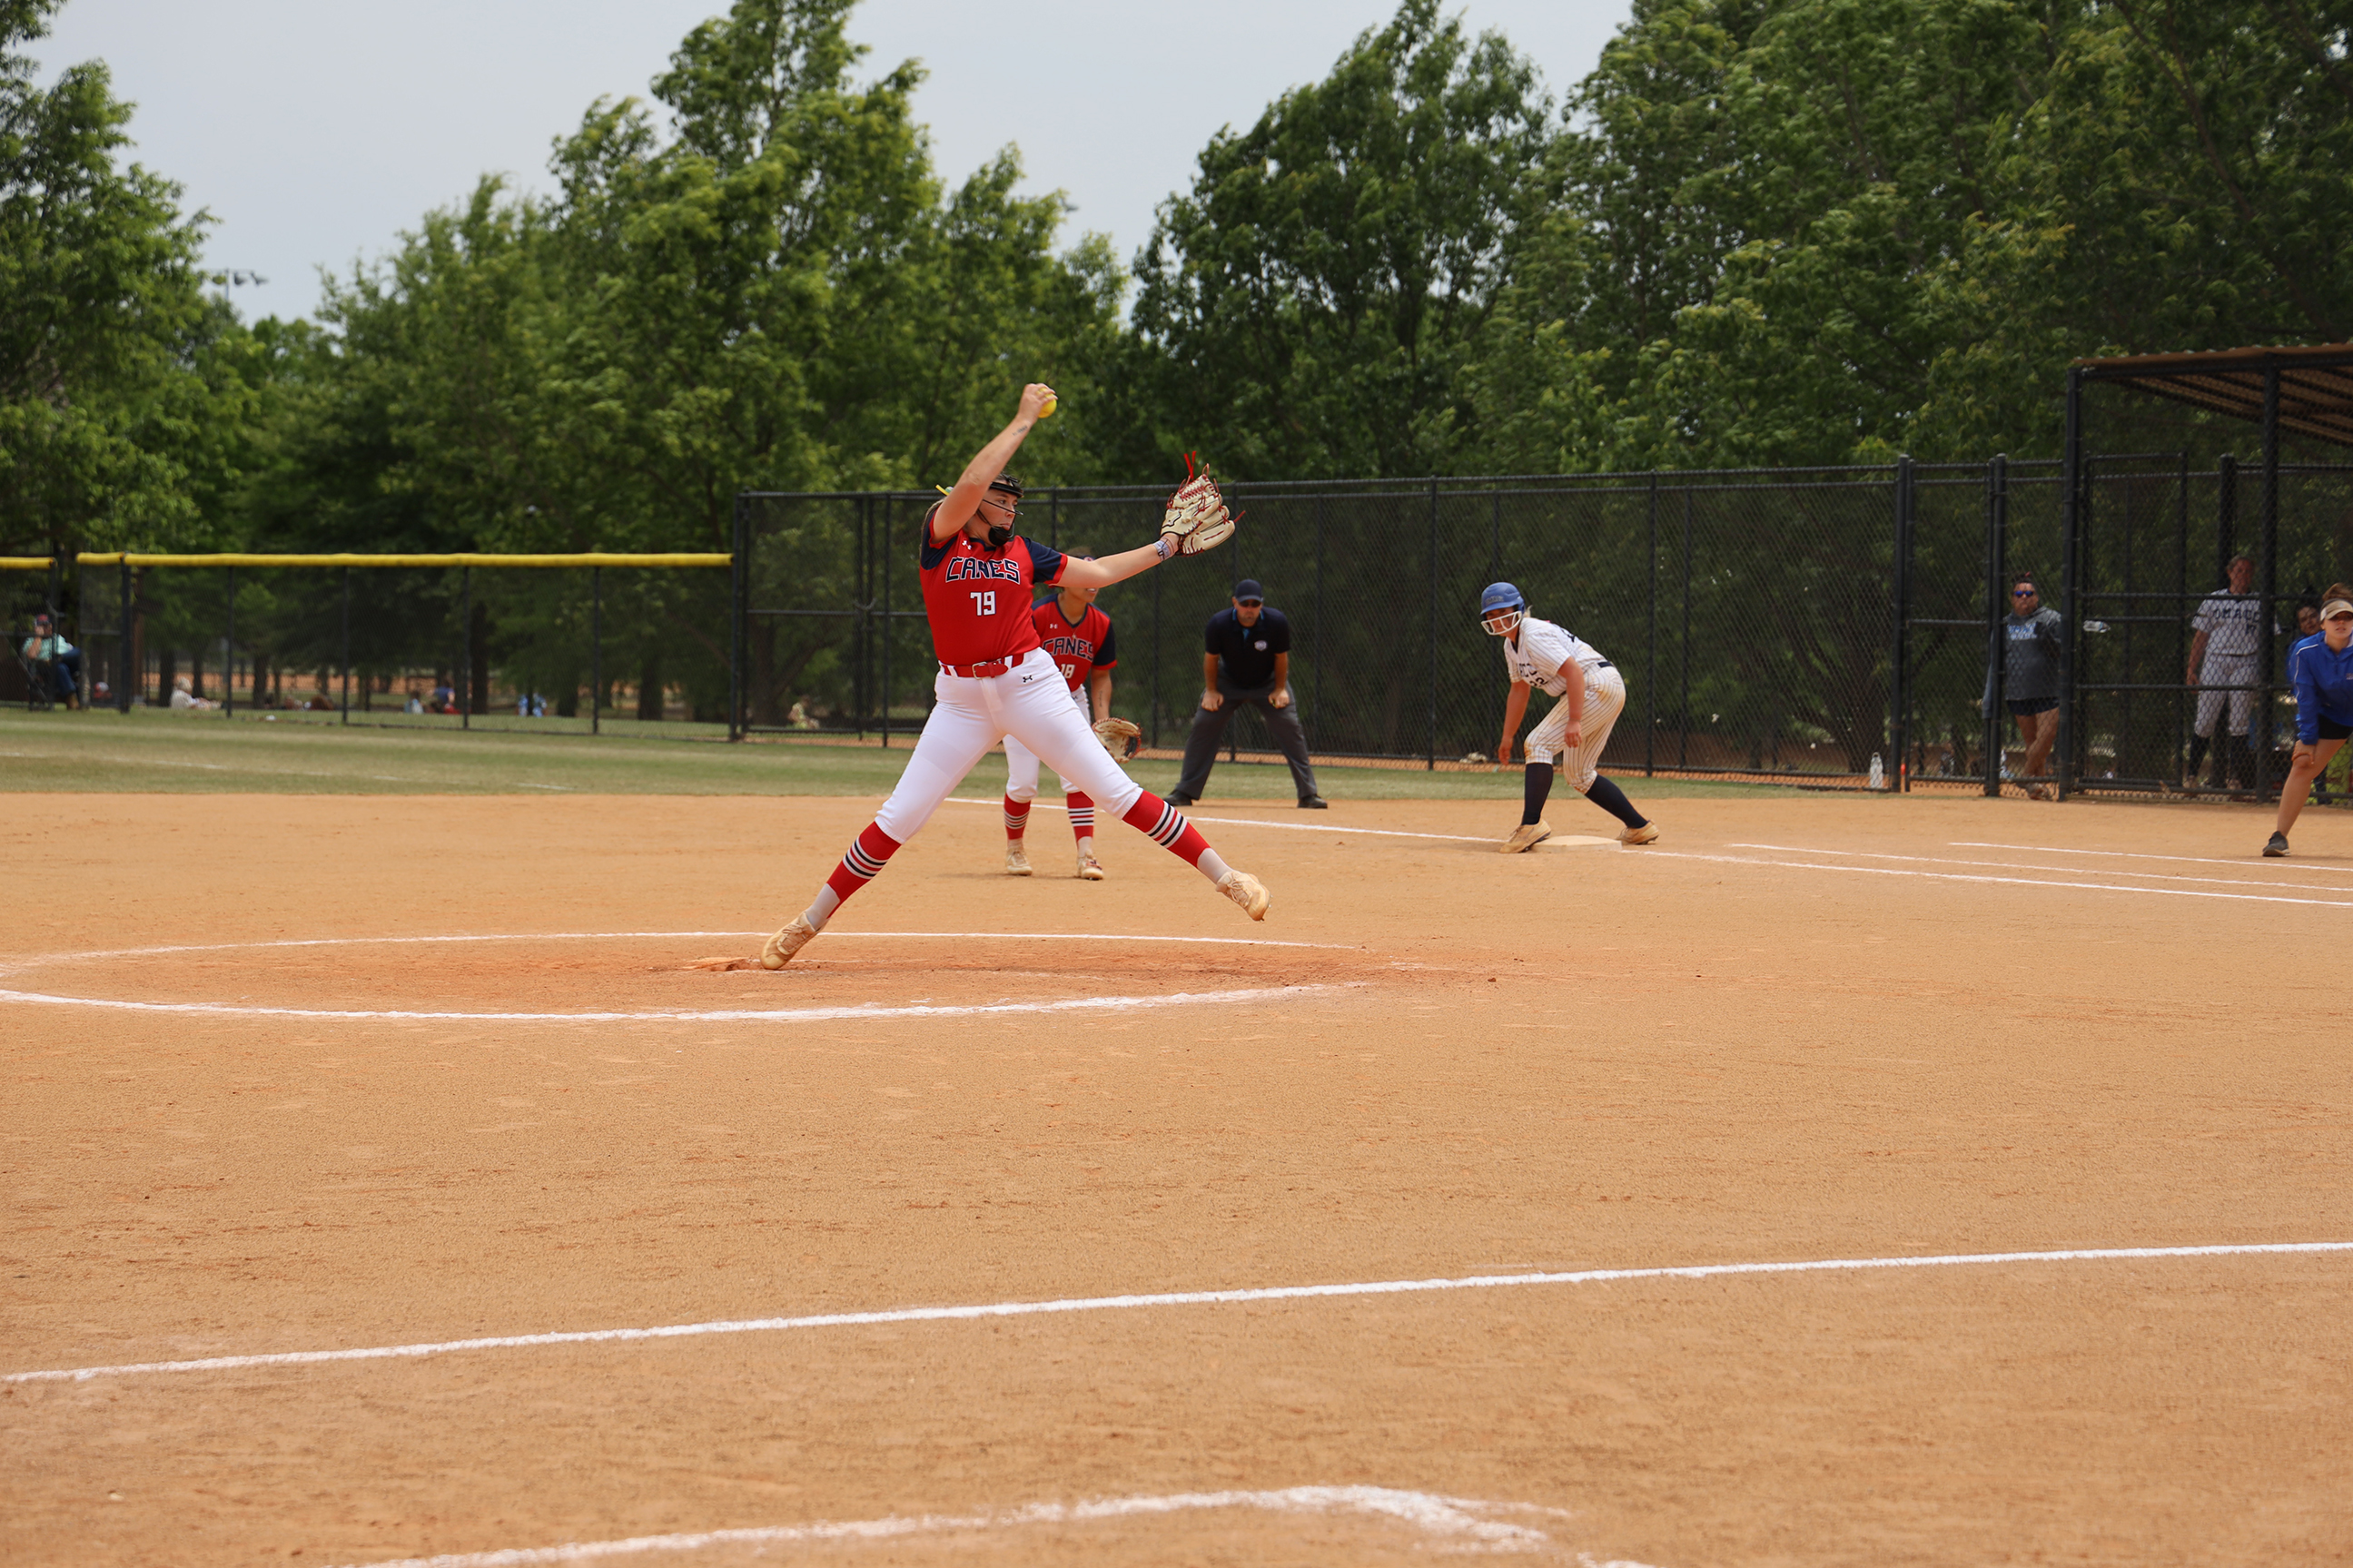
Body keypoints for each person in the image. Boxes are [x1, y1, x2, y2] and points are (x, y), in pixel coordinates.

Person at [758, 384, 1269, 969]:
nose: (1008, 508)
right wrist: (1025, 418)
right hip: (960, 701)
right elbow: (974, 481)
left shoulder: (1025, 552)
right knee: (900, 816)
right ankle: (809, 921)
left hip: (1032, 686)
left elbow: (1098, 570)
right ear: (971, 506)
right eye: (1001, 501)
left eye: (1011, 503)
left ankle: (1228, 878)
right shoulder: (940, 540)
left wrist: (1166, 546)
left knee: (1114, 792)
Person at [1480, 581, 1658, 852]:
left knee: (1538, 743)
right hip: (1600, 686)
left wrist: (1574, 719)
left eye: (1503, 610)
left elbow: (1574, 672)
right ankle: (1639, 826)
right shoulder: (1511, 646)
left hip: (1595, 684)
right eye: (1491, 615)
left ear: (1518, 608)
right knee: (1579, 775)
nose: (1498, 619)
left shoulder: (1533, 634)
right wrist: (1507, 736)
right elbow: (1519, 690)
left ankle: (1531, 824)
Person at [1002, 552, 1120, 880]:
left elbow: (1100, 676)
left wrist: (1101, 721)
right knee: (1024, 784)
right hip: (1021, 697)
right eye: (1084, 575)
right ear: (1061, 584)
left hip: (1069, 697)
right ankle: (1015, 849)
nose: (1092, 582)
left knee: (1079, 776)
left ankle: (1086, 856)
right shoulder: (1038, 614)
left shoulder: (1101, 623)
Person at [1168, 579, 1326, 808]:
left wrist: (1280, 689)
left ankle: (1308, 794)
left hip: (1268, 682)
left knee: (1290, 726)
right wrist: (1211, 691)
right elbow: (1211, 659)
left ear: (1262, 604)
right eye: (1245, 604)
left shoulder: (1276, 622)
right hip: (1228, 682)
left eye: (1255, 604)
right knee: (1203, 723)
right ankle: (1184, 791)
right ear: (1235, 603)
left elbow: (1281, 658)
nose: (1250, 609)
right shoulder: (1219, 623)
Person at [2266, 585, 2353, 856]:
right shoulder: (2305, 652)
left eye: (2347, 618)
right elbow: (2306, 698)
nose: (2341, 623)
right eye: (2334, 618)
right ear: (2323, 623)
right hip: (2333, 714)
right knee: (2303, 763)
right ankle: (2279, 838)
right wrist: (2307, 738)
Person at [2187, 554, 2275, 791]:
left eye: (2247, 571)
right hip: (2215, 661)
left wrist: (2263, 673)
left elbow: (2269, 638)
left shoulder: (2259, 602)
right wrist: (2191, 669)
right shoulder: (2214, 600)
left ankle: (2235, 779)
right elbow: (2201, 636)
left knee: (2239, 722)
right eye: (2239, 570)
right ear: (2229, 572)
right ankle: (2191, 777)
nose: (2243, 575)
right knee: (2205, 721)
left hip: (2246, 662)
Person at [1983, 576, 2063, 798]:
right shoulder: (2004, 626)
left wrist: (2048, 639)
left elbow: (2063, 651)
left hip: (2047, 690)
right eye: (2019, 594)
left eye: (2030, 594)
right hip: (2018, 692)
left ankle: (2025, 775)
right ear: (2012, 599)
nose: (2025, 598)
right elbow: (1995, 661)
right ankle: (2036, 788)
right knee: (2032, 744)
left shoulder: (2051, 619)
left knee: (2046, 736)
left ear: (2037, 597)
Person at [20, 612, 82, 709]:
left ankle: (57, 658)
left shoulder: (58, 638)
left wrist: (60, 658)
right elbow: (31, 655)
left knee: (79, 652)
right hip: (45, 669)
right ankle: (71, 698)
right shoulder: (30, 641)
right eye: (43, 625)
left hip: (65, 661)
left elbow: (71, 650)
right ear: (36, 627)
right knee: (60, 667)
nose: (47, 628)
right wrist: (38, 637)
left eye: (48, 625)